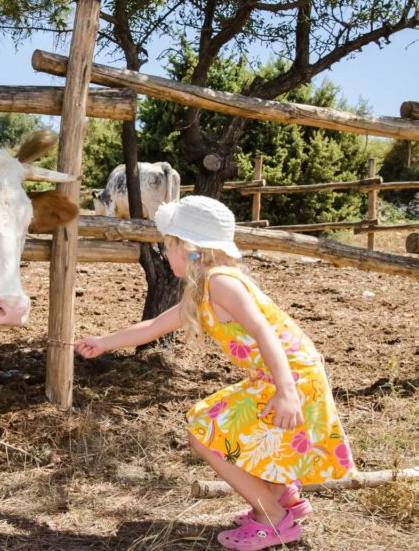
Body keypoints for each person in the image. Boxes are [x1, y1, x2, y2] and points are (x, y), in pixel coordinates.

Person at [74, 195, 355, 551]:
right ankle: (283, 499)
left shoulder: (221, 282)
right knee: (250, 435)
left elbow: (264, 332)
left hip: (290, 376)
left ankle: (273, 518)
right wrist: (103, 342)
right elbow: (156, 325)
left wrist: (285, 390)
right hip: (278, 376)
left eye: (168, 246)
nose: (165, 254)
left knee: (204, 431)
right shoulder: (203, 288)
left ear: (190, 248)